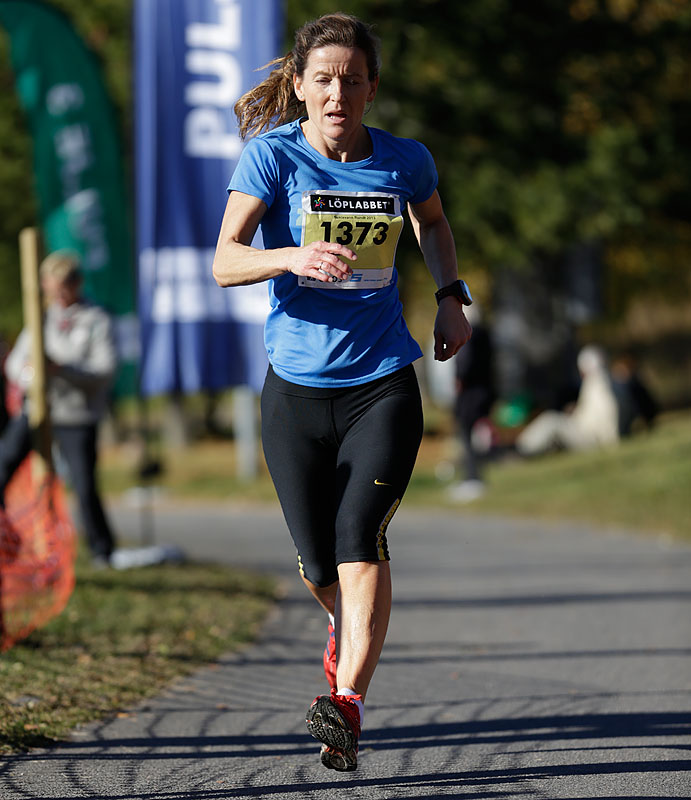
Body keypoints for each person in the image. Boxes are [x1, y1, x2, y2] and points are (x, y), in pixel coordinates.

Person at [212, 13, 472, 772]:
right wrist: (291, 258)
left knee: (361, 535)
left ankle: (347, 702)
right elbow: (225, 260)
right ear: (299, 86)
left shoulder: (404, 159)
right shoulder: (272, 158)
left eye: (351, 81)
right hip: (294, 392)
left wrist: (450, 295)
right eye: (323, 80)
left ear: (371, 88)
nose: (337, 95)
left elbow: (432, 222)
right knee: (319, 565)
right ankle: (345, 629)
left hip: (380, 383)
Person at [1, 251, 118, 566]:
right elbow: (15, 365)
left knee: (83, 485)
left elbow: (104, 371)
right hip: (38, 410)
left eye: (63, 287)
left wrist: (62, 369)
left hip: (76, 415)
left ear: (76, 284)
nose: (57, 295)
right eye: (51, 289)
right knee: (4, 463)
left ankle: (102, 550)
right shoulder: (40, 318)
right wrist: (32, 373)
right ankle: (9, 538)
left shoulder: (96, 319)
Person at [515, 344, 619, 456]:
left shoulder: (598, 383)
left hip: (589, 438)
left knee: (551, 420)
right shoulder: (596, 381)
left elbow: (607, 412)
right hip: (585, 432)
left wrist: (610, 441)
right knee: (552, 421)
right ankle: (525, 449)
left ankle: (522, 449)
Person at [447, 302, 495, 503]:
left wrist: (459, 378)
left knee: (468, 436)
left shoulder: (470, 336)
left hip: (470, 395)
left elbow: (465, 363)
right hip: (484, 391)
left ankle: (472, 477)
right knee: (478, 437)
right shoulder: (486, 334)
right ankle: (474, 476)